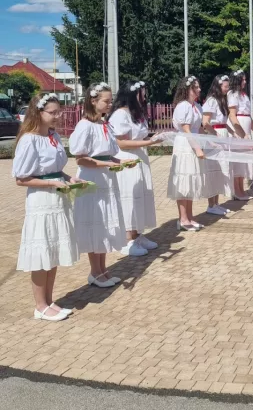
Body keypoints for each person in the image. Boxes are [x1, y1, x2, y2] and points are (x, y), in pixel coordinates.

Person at [12, 94, 80, 321]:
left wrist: (69, 178)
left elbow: (56, 169)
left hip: (58, 199)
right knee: (42, 253)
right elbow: (21, 178)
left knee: (52, 249)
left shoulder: (53, 136)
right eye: (53, 113)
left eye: (59, 112)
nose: (58, 116)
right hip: (41, 201)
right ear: (39, 113)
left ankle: (50, 301)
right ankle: (40, 305)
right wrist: (51, 182)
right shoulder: (29, 139)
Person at [69, 82, 126, 288]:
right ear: (93, 101)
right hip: (92, 179)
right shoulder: (85, 125)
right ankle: (94, 271)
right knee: (96, 223)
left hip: (106, 178)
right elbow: (80, 158)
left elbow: (107, 153)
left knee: (104, 225)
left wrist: (118, 162)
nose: (110, 104)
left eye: (111, 100)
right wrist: (106, 163)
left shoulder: (104, 123)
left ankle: (103, 269)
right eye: (106, 101)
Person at [109, 81, 163, 257]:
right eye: (142, 93)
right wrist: (150, 142)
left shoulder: (136, 113)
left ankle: (137, 234)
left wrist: (153, 136)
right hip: (127, 158)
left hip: (140, 157)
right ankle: (126, 239)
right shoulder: (120, 115)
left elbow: (138, 135)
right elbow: (122, 142)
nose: (145, 96)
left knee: (140, 196)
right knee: (129, 197)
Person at [167, 75, 210, 231]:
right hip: (185, 145)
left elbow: (198, 129)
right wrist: (197, 148)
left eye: (199, 87)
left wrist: (207, 142)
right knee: (184, 180)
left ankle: (190, 217)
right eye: (196, 87)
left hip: (194, 141)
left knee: (191, 180)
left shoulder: (197, 107)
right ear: (188, 89)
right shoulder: (183, 106)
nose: (199, 89)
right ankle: (183, 219)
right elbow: (186, 130)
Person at [227, 69, 253, 200]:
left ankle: (241, 189)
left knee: (244, 160)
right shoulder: (232, 94)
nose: (245, 81)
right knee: (238, 160)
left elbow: (249, 116)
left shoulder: (244, 95)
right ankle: (237, 191)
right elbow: (232, 114)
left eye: (245, 79)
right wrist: (241, 133)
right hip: (239, 127)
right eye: (242, 79)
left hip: (246, 126)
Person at [202, 75, 233, 215]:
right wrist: (214, 136)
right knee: (213, 169)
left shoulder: (221, 100)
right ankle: (211, 204)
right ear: (218, 86)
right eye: (225, 86)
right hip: (214, 136)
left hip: (222, 134)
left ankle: (216, 203)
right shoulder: (211, 101)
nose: (227, 89)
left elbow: (225, 122)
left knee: (220, 170)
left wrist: (232, 133)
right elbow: (206, 122)